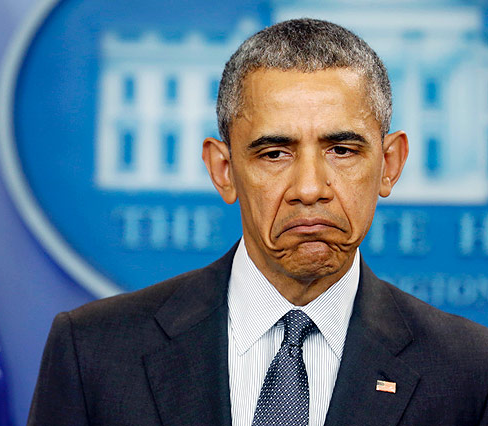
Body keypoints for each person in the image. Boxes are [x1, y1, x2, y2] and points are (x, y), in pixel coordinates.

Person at [28, 19, 488, 426]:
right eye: (275, 153)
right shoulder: (94, 351)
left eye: (342, 150)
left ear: (390, 164)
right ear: (223, 170)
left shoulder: (470, 368)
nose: (310, 188)